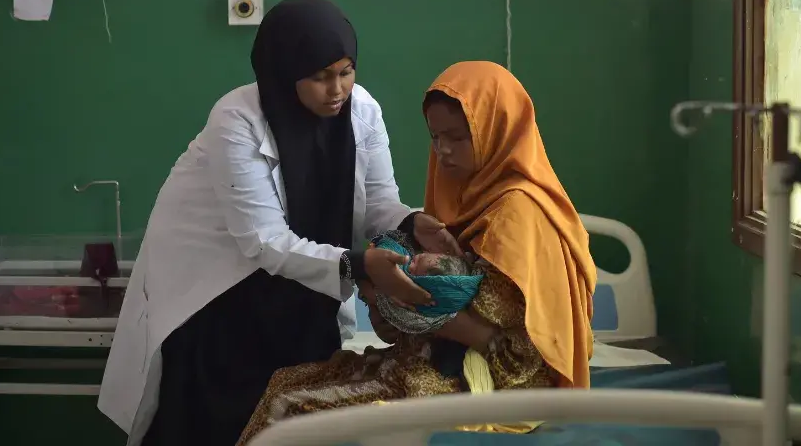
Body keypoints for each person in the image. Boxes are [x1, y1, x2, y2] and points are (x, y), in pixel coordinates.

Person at [96, 0, 460, 446]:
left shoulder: (362, 111)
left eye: (346, 71)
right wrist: (362, 267)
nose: (337, 89)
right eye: (320, 77)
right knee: (216, 423)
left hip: (305, 298)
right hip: (223, 301)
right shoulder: (237, 120)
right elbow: (262, 240)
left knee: (296, 420)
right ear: (284, 74)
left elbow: (380, 204)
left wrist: (413, 221)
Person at [236, 61, 597, 444]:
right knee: (283, 383)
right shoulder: (459, 196)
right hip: (433, 362)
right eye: (435, 137)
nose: (443, 151)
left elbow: (500, 343)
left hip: (487, 383)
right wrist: (385, 308)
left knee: (294, 409)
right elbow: (425, 313)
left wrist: (395, 298)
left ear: (497, 129)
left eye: (458, 137)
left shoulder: (517, 217)